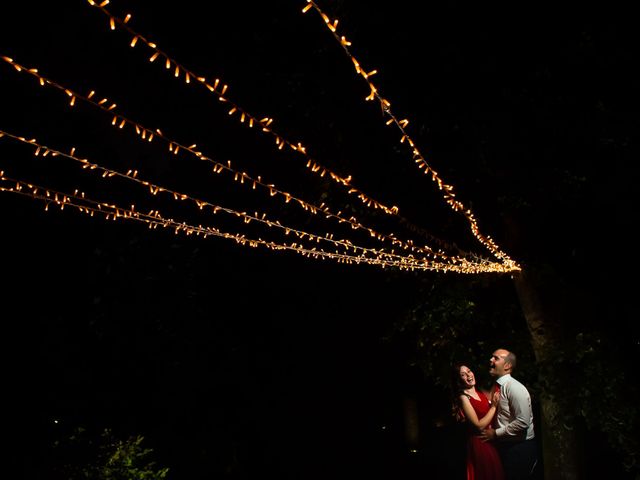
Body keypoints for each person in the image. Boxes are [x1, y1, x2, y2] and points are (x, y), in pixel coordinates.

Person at [480, 348, 538, 480]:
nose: (491, 360)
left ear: (507, 365)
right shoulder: (497, 386)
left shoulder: (514, 387)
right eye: (491, 357)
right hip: (506, 446)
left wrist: (495, 433)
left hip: (519, 449)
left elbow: (523, 422)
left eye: (496, 358)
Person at [452, 362, 505, 480]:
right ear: (459, 379)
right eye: (463, 375)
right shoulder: (464, 397)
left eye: (469, 371)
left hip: (490, 440)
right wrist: (494, 406)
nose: (468, 375)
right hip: (479, 442)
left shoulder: (480, 392)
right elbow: (478, 425)